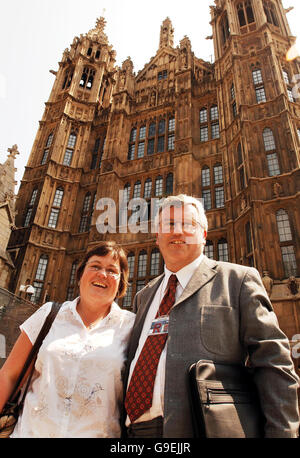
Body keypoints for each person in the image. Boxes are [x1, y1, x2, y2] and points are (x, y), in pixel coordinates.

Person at [123, 194, 300, 438]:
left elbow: (274, 363)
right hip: (137, 433)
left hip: (208, 429)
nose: (177, 231)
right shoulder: (143, 297)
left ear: (204, 234)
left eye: (188, 224)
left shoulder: (238, 281)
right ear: (157, 236)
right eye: (169, 225)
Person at [0, 242, 135, 438]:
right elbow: (9, 375)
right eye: (95, 266)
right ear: (80, 274)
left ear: (121, 282)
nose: (102, 274)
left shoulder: (131, 327)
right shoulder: (49, 314)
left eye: (112, 270)